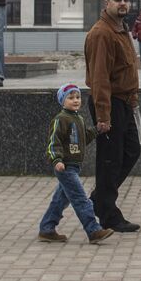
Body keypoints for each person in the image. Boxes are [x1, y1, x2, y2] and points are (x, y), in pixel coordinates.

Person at [83, 0, 141, 232]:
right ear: (106, 3)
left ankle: (99, 198)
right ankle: (108, 214)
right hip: (109, 103)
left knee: (132, 151)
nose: (123, 3)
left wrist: (134, 98)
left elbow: (127, 69)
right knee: (109, 160)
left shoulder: (121, 29)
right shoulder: (102, 33)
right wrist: (103, 116)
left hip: (125, 102)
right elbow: (100, 79)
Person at [37, 83, 115, 245]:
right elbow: (53, 143)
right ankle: (93, 230)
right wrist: (56, 160)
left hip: (74, 166)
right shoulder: (61, 119)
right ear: (62, 101)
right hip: (65, 166)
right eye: (70, 98)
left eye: (78, 97)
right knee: (81, 199)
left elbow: (83, 138)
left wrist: (97, 130)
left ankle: (47, 228)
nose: (75, 100)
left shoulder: (77, 118)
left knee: (60, 200)